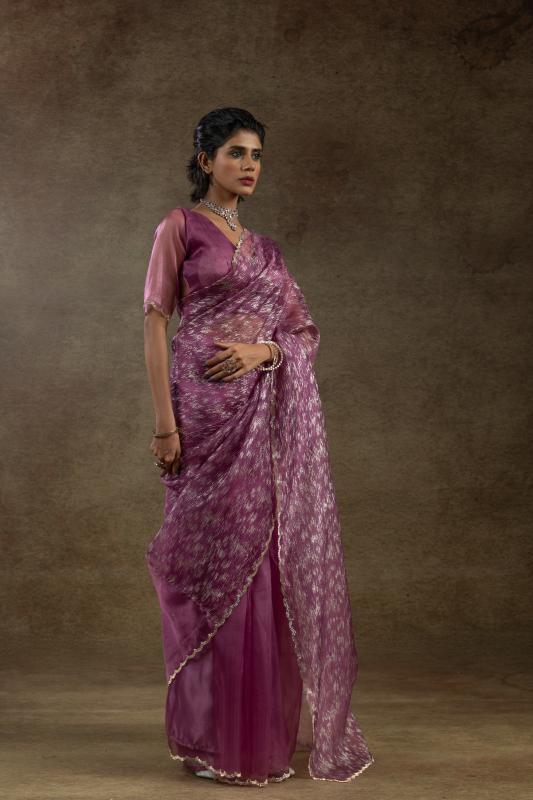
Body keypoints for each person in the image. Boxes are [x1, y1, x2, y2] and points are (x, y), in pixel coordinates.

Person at [142, 107, 374, 786]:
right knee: (207, 564)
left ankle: (252, 737)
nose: (249, 166)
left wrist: (262, 352)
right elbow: (154, 323)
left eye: (257, 155)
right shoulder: (179, 227)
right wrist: (165, 424)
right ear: (206, 160)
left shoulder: (267, 251)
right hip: (201, 418)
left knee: (258, 568)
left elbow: (301, 332)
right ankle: (209, 734)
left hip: (260, 423)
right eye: (236, 153)